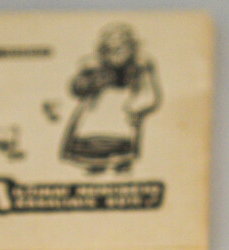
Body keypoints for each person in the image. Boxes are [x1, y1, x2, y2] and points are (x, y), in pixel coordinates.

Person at [59, 23, 161, 173]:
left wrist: (135, 107)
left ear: (131, 48)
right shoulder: (93, 69)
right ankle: (94, 165)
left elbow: (149, 95)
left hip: (123, 118)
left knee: (121, 146)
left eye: (120, 49)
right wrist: (87, 82)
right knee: (91, 143)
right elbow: (77, 89)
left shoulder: (138, 70)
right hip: (93, 118)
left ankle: (121, 165)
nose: (115, 54)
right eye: (109, 50)